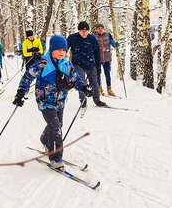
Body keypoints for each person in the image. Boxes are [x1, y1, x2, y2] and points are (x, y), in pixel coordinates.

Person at [13, 35, 88, 171]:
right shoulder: (43, 63)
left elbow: (76, 79)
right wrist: (20, 93)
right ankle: (55, 158)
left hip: (60, 101)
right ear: (52, 48)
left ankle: (44, 139)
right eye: (58, 49)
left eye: (64, 50)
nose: (61, 52)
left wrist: (83, 88)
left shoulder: (66, 64)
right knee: (56, 128)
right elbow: (28, 76)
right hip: (45, 101)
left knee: (58, 124)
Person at [67, 21, 107, 107]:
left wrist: (98, 67)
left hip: (90, 63)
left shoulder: (92, 39)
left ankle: (97, 100)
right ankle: (83, 100)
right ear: (79, 31)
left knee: (95, 82)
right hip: (77, 63)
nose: (84, 33)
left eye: (86, 31)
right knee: (81, 81)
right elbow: (64, 48)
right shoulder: (72, 38)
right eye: (82, 31)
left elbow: (97, 53)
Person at [92, 23, 118, 96]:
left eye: (101, 28)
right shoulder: (94, 36)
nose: (100, 29)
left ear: (103, 29)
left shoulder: (107, 35)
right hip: (97, 59)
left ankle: (109, 89)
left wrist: (115, 45)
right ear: (96, 29)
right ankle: (99, 88)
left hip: (106, 58)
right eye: (98, 28)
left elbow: (111, 41)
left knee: (107, 74)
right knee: (98, 74)